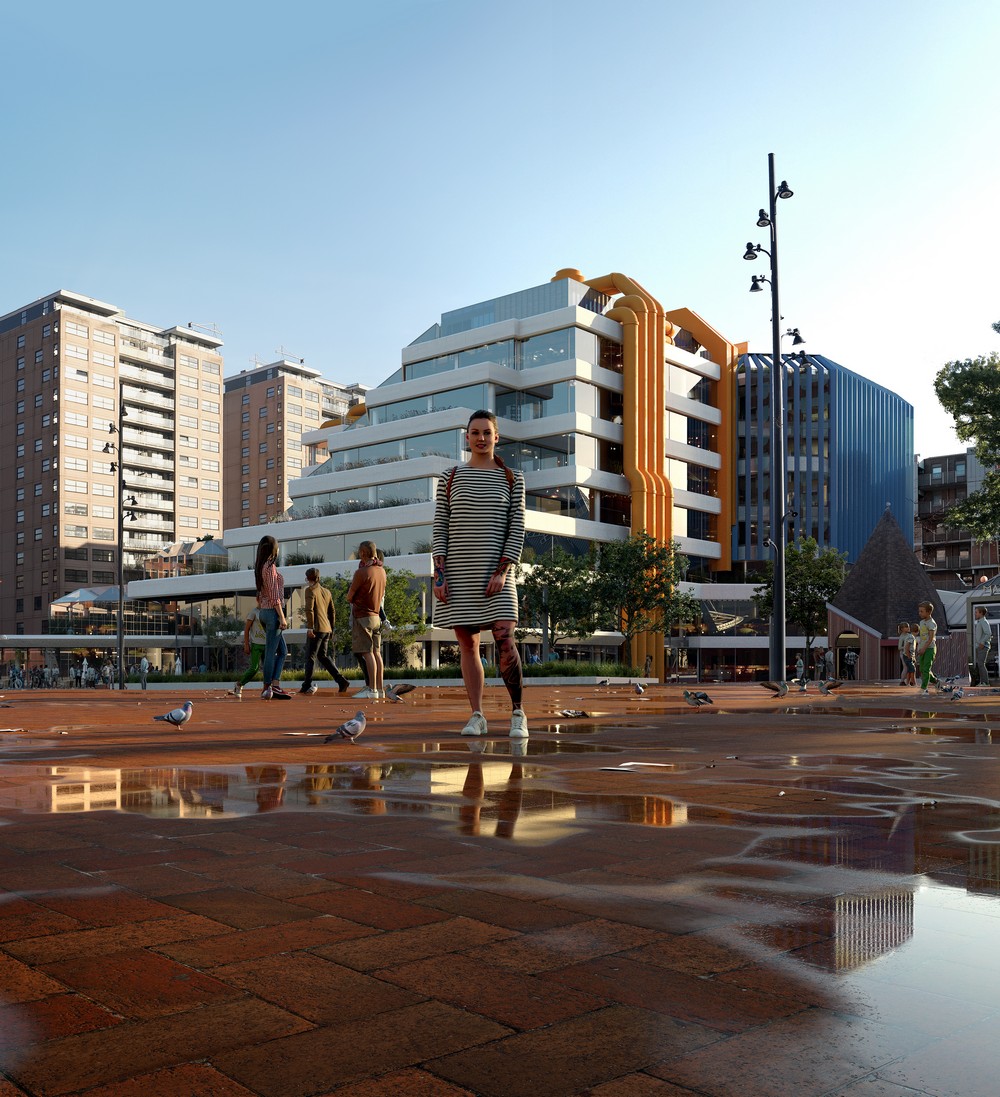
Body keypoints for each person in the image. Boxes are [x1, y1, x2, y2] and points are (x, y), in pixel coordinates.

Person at [432, 410, 527, 739]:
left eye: (487, 432)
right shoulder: (450, 477)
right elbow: (440, 529)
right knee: (468, 646)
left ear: (496, 437)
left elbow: (517, 529)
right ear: (467, 438)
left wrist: (503, 571)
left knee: (504, 636)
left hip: (497, 572)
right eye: (475, 432)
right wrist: (440, 576)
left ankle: (518, 713)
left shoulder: (512, 478)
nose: (481, 438)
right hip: (459, 572)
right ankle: (477, 715)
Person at [347, 541, 386, 699]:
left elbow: (350, 596)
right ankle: (380, 688)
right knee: (377, 653)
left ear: (363, 553)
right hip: (377, 616)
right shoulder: (382, 571)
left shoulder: (362, 572)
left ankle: (372, 689)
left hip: (363, 616)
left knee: (367, 653)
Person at [301, 567, 350, 695]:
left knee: (310, 657)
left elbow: (309, 610)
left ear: (309, 578)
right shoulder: (326, 592)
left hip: (316, 629)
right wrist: (331, 628)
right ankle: (341, 680)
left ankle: (306, 685)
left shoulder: (310, 591)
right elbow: (332, 611)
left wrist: (310, 627)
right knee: (322, 656)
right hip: (326, 629)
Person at [254, 534, 291, 700]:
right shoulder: (269, 567)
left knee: (282, 651)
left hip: (265, 612)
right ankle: (268, 687)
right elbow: (275, 596)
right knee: (271, 652)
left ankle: (274, 685)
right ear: (274, 549)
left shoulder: (261, 566)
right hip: (272, 613)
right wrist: (282, 617)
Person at [229, 603, 267, 699]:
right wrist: (246, 644)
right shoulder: (254, 612)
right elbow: (246, 629)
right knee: (254, 668)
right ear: (258, 599)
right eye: (261, 598)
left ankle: (266, 689)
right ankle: (239, 684)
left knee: (268, 668)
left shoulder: (268, 612)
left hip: (267, 644)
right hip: (256, 644)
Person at [915, 601, 938, 696]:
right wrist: (919, 647)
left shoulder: (931, 623)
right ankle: (936, 681)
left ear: (929, 612)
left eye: (922, 611)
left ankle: (924, 688)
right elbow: (922, 637)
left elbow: (930, 638)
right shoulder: (921, 622)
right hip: (922, 648)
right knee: (922, 669)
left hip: (929, 649)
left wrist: (924, 648)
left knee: (926, 669)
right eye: (919, 611)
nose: (919, 613)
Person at [973, 605, 992, 686]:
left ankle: (985, 682)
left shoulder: (983, 622)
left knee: (981, 664)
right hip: (980, 646)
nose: (975, 614)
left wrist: (982, 642)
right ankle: (983, 682)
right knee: (980, 664)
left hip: (983, 646)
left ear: (981, 613)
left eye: (976, 612)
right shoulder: (980, 622)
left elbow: (988, 633)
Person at [898, 622, 916, 686]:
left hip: (908, 653)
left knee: (909, 667)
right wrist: (906, 646)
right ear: (902, 629)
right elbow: (899, 647)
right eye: (906, 627)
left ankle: (908, 681)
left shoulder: (909, 635)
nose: (908, 628)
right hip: (903, 653)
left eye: (908, 626)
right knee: (905, 667)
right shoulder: (902, 637)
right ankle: (902, 681)